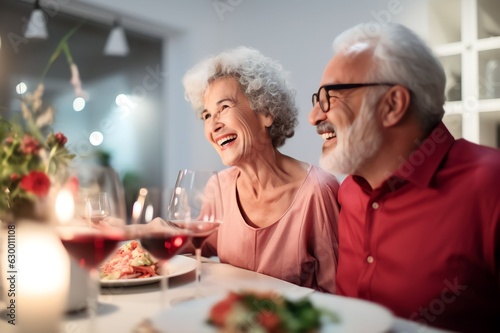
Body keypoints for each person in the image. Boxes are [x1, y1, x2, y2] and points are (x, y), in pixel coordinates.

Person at [308, 22, 500, 332]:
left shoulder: (491, 185)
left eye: (330, 97)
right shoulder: (350, 193)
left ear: (393, 105)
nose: (314, 116)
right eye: (316, 99)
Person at [182, 46, 340, 293]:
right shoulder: (220, 188)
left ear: (266, 112)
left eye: (224, 107)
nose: (214, 124)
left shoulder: (318, 191)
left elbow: (339, 296)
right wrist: (155, 232)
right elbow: (193, 248)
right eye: (206, 115)